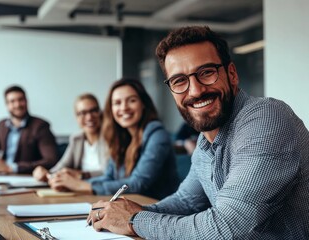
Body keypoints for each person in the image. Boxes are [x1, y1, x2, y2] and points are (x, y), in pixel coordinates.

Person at [87, 26, 309, 239]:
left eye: (206, 72)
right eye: (179, 81)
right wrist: (123, 213)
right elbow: (186, 202)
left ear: (232, 74)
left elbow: (226, 228)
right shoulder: (206, 141)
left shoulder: (267, 118)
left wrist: (134, 220)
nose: (195, 90)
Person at [48, 78, 179, 200]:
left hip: (157, 210)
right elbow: (108, 177)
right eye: (117, 103)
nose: (123, 108)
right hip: (128, 206)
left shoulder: (157, 134)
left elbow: (138, 183)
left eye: (131, 100)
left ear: (143, 104)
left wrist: (81, 186)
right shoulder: (120, 137)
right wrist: (72, 184)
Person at [0, 85, 58, 174]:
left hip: (25, 178)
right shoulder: (2, 125)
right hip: (3, 177)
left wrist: (11, 167)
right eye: (12, 101)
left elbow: (51, 160)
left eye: (21, 100)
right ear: (7, 105)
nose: (17, 105)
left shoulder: (40, 126)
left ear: (26, 101)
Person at [32, 93, 108, 182]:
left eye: (93, 111)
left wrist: (82, 175)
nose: (89, 117)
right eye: (82, 113)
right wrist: (46, 173)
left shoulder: (111, 138)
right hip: (80, 189)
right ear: (77, 117)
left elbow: (111, 172)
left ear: (100, 113)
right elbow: (62, 166)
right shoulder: (76, 139)